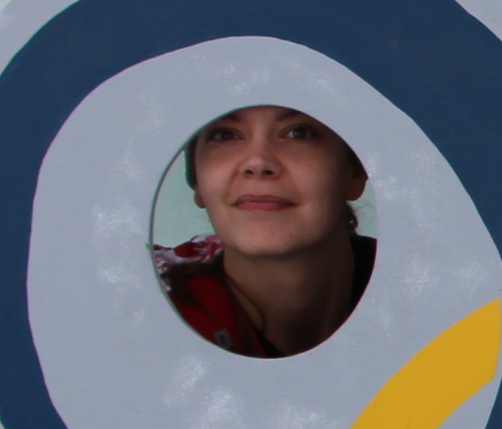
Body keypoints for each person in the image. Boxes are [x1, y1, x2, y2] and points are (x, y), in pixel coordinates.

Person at [154, 104, 372, 358]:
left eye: (298, 133)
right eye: (225, 135)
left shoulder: (410, 286)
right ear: (197, 181)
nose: (257, 163)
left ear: (355, 173)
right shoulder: (137, 306)